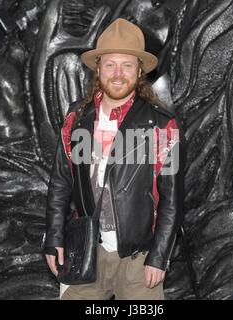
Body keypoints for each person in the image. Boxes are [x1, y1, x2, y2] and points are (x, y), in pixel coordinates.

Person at [43, 18, 182, 300]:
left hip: (139, 259)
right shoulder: (76, 119)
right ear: (98, 68)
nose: (118, 73)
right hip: (85, 250)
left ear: (139, 70)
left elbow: (172, 198)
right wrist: (54, 238)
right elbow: (60, 182)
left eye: (127, 65)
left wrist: (159, 256)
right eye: (110, 64)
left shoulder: (164, 126)